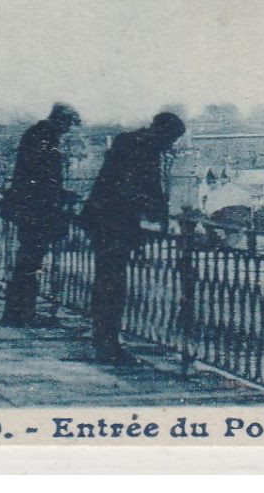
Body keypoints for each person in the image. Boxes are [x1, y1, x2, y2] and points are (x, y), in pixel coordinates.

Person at [78, 111, 187, 364]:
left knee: (106, 282)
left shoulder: (129, 141)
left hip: (102, 220)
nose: (170, 145)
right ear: (162, 132)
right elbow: (140, 189)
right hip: (113, 223)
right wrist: (158, 212)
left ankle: (104, 339)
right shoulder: (145, 149)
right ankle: (108, 345)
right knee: (112, 285)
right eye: (171, 139)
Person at [0, 102, 81, 327]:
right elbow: (40, 178)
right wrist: (61, 195)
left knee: (28, 261)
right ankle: (21, 314)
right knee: (30, 262)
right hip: (35, 211)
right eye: (67, 126)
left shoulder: (38, 135)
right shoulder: (43, 138)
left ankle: (19, 312)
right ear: (60, 121)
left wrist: (60, 192)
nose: (67, 132)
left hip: (31, 208)